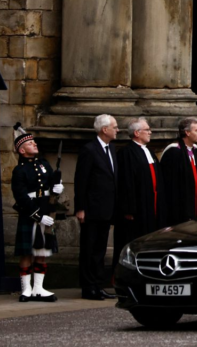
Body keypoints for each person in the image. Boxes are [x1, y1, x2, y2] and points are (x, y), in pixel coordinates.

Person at [11, 123, 62, 302]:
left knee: (42, 252)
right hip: (31, 212)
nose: (34, 144)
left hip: (46, 209)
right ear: (22, 151)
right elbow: (21, 197)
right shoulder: (19, 170)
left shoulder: (44, 164)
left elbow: (50, 188)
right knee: (27, 253)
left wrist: (57, 188)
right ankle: (26, 289)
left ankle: (38, 288)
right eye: (30, 143)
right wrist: (37, 215)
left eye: (34, 142)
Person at [74, 114, 118, 301]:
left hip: (106, 209)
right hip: (91, 209)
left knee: (100, 249)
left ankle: (98, 285)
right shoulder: (89, 150)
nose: (117, 130)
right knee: (89, 248)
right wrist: (81, 208)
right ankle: (88, 286)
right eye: (114, 127)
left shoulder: (112, 149)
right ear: (104, 129)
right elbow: (81, 181)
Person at [114, 118, 165, 274]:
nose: (150, 132)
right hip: (138, 208)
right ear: (136, 133)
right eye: (147, 130)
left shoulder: (148, 151)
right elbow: (126, 183)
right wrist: (129, 209)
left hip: (152, 205)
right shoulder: (126, 153)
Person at [160, 117, 197, 226]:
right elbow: (170, 185)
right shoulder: (174, 152)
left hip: (195, 204)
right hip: (179, 208)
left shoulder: (195, 151)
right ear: (187, 132)